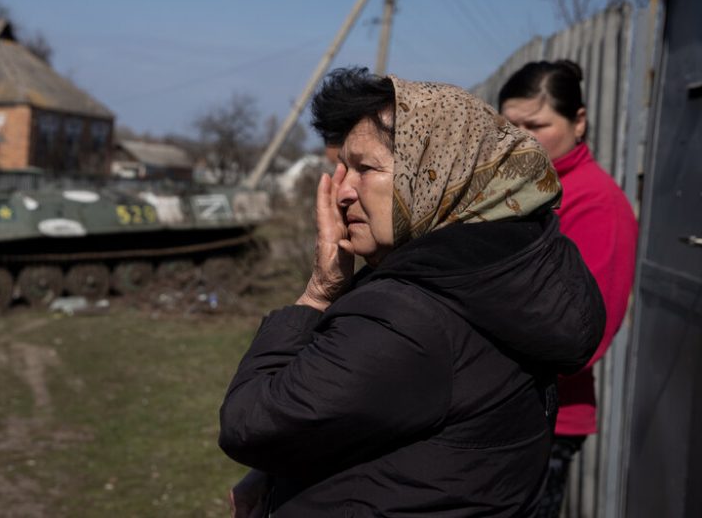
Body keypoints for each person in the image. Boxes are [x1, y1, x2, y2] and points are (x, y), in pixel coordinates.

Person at [218, 67, 607, 517]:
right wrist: (271, 476)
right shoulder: (490, 276)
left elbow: (252, 424)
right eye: (342, 169)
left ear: (435, 175)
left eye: (365, 168)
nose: (342, 191)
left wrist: (317, 294)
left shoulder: (410, 315)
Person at [499, 60, 638, 517]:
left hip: (543, 418)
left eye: (536, 125)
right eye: (508, 124)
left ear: (578, 121)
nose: (519, 137)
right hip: (489, 404)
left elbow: (584, 334)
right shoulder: (517, 187)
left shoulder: (596, 203)